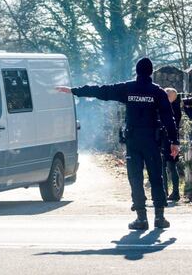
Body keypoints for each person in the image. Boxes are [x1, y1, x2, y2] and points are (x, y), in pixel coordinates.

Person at [56, 57, 179, 230]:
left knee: (135, 178)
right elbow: (168, 118)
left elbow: (102, 91)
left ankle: (141, 218)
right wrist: (174, 142)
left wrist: (74, 91)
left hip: (133, 141)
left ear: (137, 71)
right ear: (151, 72)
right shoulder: (157, 92)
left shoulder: (128, 88)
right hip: (152, 140)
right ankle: (159, 217)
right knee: (156, 177)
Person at [162, 88, 182, 201]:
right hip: (169, 140)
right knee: (168, 166)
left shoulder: (171, 108)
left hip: (168, 140)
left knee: (167, 166)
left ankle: (171, 192)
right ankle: (171, 192)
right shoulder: (175, 107)